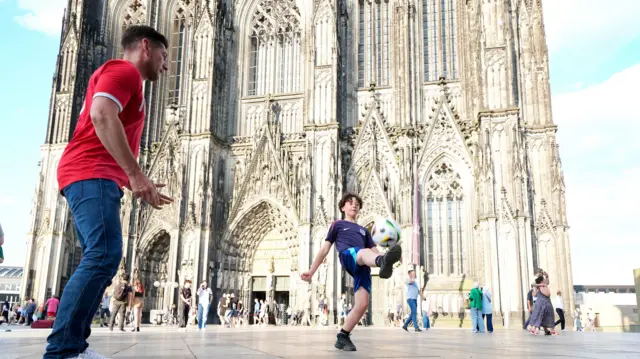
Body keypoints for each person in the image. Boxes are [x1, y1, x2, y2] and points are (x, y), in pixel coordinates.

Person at [44, 25, 170, 359]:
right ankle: (64, 350)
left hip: (93, 174)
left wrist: (134, 181)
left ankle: (73, 347)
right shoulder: (124, 71)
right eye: (163, 55)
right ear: (145, 46)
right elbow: (101, 115)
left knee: (102, 255)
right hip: (89, 172)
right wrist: (135, 174)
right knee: (103, 254)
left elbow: (104, 129)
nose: (166, 65)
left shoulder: (125, 79)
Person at [301, 193, 402, 351]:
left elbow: (374, 250)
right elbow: (324, 249)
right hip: (349, 255)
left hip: (364, 264)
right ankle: (382, 262)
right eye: (350, 202)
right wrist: (312, 271)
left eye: (357, 203)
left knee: (362, 304)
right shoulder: (337, 225)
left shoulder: (364, 231)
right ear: (343, 207)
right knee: (362, 253)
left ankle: (343, 336)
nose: (354, 205)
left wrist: (391, 257)